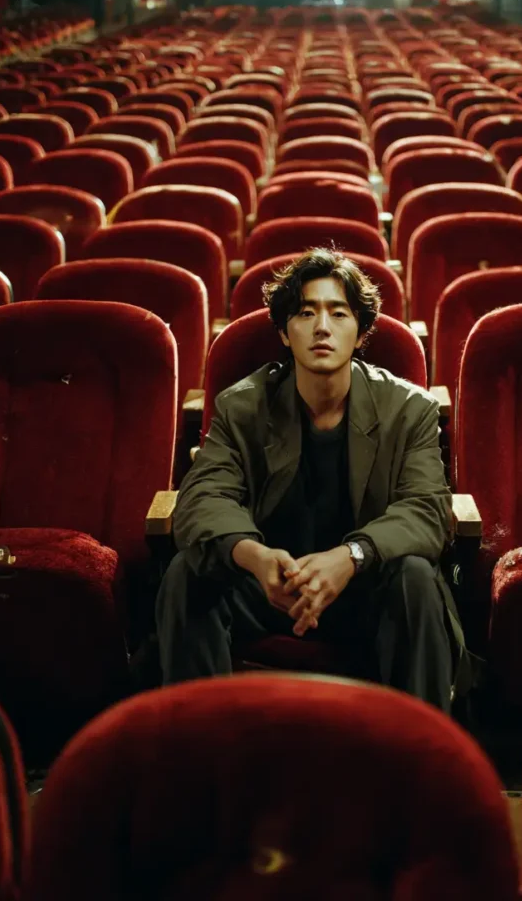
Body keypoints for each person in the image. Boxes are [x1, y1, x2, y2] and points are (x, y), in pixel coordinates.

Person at [156, 248, 467, 712]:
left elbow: (424, 511)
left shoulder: (409, 409)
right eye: (306, 312)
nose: (322, 326)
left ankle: (425, 759)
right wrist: (255, 556)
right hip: (271, 590)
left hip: (364, 590)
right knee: (188, 572)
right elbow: (203, 497)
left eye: (338, 313)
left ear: (361, 333)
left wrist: (352, 556)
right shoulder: (243, 407)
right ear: (285, 332)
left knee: (416, 577)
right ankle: (199, 750)